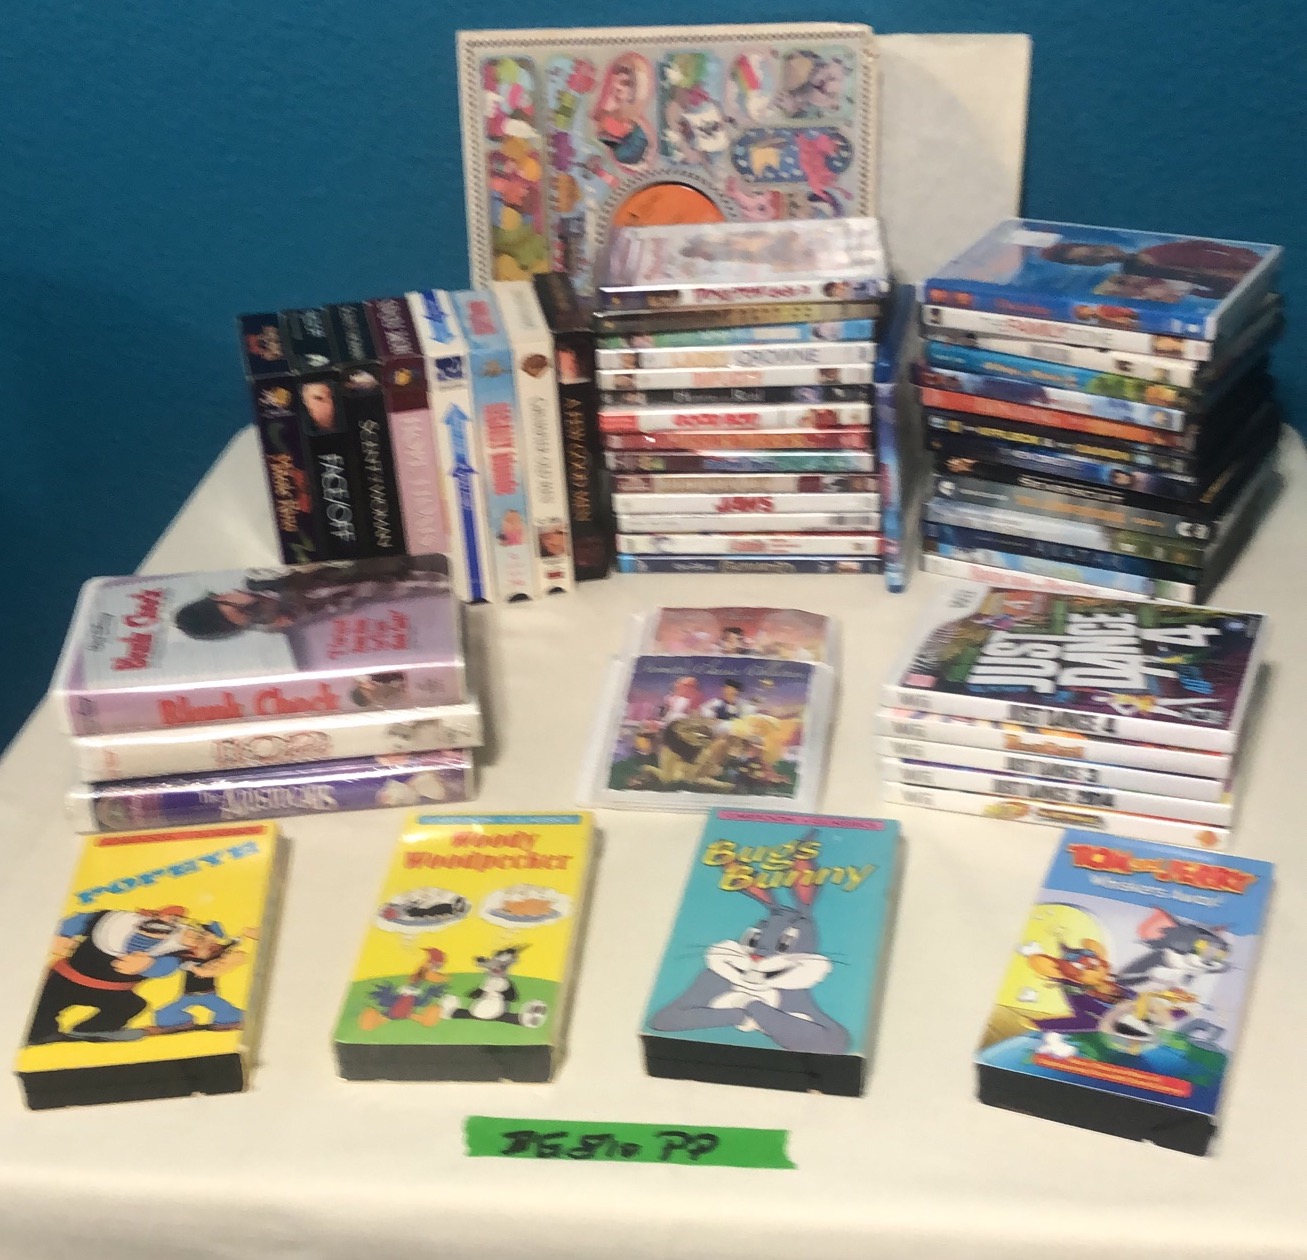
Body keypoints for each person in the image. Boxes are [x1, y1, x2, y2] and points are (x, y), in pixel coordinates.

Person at [172, 556, 450, 642]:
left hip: (394, 558)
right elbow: (342, 602)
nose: (255, 613)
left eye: (245, 608)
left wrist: (291, 580)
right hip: (399, 586)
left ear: (222, 596)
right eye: (247, 620)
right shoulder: (280, 620)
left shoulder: (261, 574)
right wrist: (288, 616)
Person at [1040, 238, 1265, 299]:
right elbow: (1186, 289)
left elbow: (1203, 247)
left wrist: (1240, 257)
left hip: (1243, 269)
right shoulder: (1132, 277)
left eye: (1096, 251)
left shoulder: (1157, 251)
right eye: (1090, 261)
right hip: (1231, 286)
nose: (1103, 256)